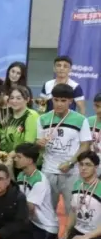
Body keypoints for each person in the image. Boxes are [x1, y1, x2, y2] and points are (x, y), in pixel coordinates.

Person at [46, 151, 101, 239]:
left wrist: (87, 237)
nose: (83, 168)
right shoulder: (77, 185)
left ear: (96, 167)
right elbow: (73, 211)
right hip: (78, 230)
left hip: (96, 234)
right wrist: (66, 232)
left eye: (88, 165)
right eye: (81, 164)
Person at [37, 83, 92, 211]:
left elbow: (85, 145)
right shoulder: (43, 119)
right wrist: (39, 144)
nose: (59, 104)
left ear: (70, 101)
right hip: (48, 170)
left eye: (63, 100)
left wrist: (70, 162)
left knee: (72, 210)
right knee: (46, 210)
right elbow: (38, 143)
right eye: (56, 100)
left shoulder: (80, 119)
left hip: (72, 172)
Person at [13, 143, 59, 239]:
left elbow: (29, 208)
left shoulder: (39, 181)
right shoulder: (21, 175)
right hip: (32, 223)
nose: (15, 159)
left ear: (29, 160)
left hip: (45, 228)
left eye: (19, 157)